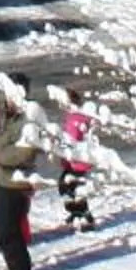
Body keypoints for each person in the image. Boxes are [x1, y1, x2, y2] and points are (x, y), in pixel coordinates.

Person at [0, 73, 52, 270]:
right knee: (5, 228)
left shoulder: (29, 119)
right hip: (2, 180)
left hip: (15, 182)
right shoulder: (12, 116)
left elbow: (25, 153)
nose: (6, 99)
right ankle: (16, 266)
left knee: (7, 229)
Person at [50, 86, 97, 231]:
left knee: (68, 187)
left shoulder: (76, 118)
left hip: (77, 161)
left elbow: (74, 138)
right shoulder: (77, 116)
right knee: (71, 187)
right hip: (77, 160)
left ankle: (83, 216)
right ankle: (80, 213)